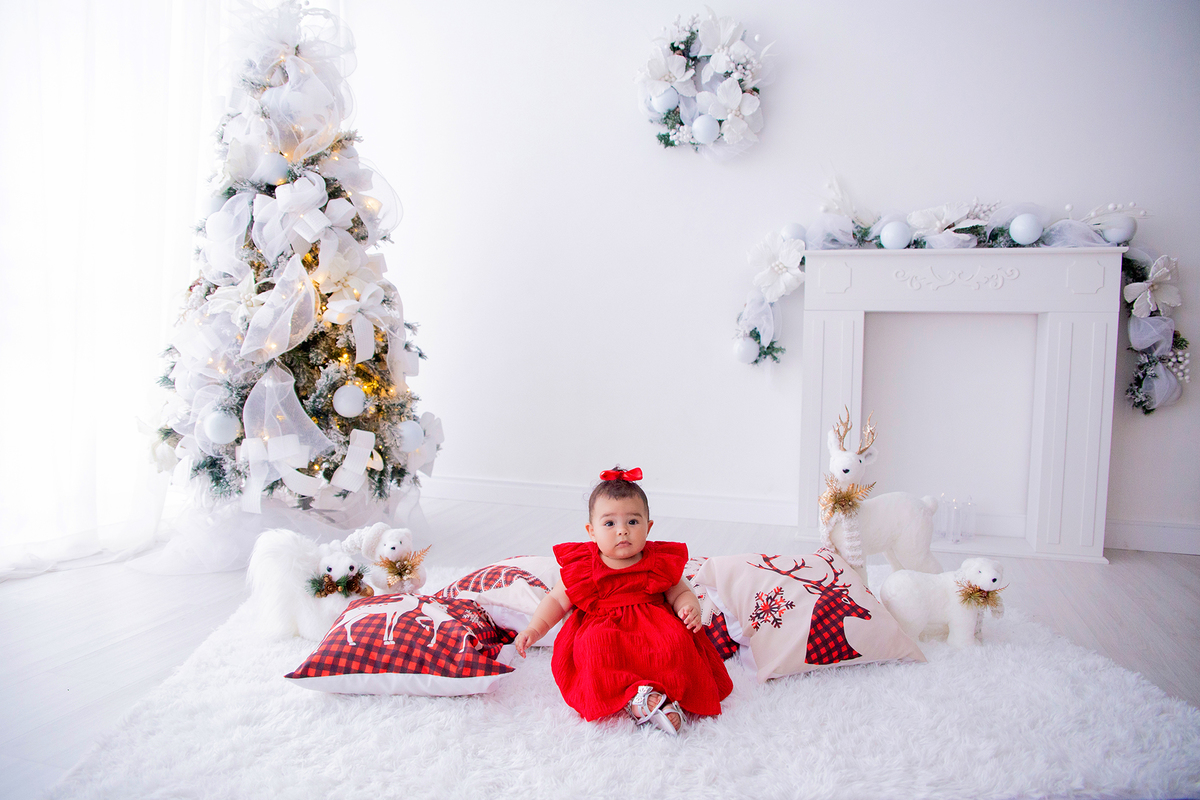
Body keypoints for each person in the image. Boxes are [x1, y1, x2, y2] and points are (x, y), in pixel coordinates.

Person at [513, 467, 733, 734]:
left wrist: (689, 607)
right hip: (603, 628)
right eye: (609, 524)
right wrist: (534, 629)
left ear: (648, 527)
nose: (622, 531)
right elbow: (557, 601)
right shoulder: (584, 565)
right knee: (594, 649)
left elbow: (680, 591)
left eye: (633, 522)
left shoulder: (658, 560)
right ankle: (634, 698)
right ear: (591, 532)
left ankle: (668, 695)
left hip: (654, 626)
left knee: (676, 642)